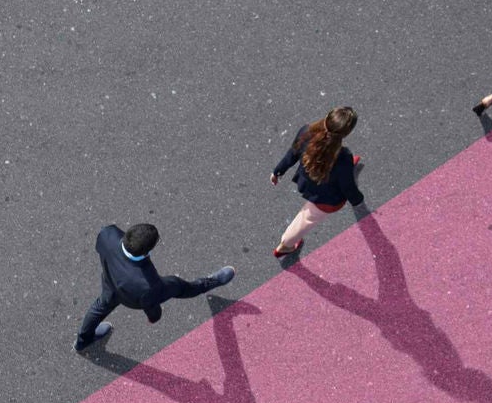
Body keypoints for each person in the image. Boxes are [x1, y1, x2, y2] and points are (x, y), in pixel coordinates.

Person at [73, 223, 235, 353]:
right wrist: (154, 317)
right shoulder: (149, 284)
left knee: (99, 308)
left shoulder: (107, 234)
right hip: (136, 297)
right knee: (180, 286)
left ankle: (82, 341)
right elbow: (151, 305)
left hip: (110, 284)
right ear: (146, 251)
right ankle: (210, 282)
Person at [271, 106, 364, 258]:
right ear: (346, 134)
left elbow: (292, 153)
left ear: (327, 117)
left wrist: (277, 172)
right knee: (304, 220)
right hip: (327, 198)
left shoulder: (306, 131)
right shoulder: (343, 157)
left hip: (308, 183)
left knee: (305, 218)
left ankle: (286, 245)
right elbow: (348, 187)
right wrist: (357, 201)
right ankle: (285, 245)